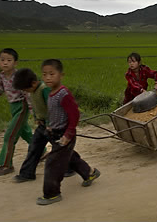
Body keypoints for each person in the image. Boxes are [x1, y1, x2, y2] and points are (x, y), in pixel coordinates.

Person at [37, 59, 100, 205]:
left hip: (65, 135)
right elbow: (54, 113)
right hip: (55, 133)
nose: (47, 78)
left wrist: (68, 134)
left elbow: (74, 115)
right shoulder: (51, 93)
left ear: (61, 75)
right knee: (69, 157)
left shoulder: (63, 94)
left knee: (53, 163)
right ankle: (89, 173)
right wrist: (49, 126)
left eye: (52, 74)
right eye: (45, 74)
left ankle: (52, 194)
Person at [11, 68, 75, 182]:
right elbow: (36, 107)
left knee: (61, 149)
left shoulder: (44, 90)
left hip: (53, 126)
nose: (26, 92)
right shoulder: (33, 91)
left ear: (34, 83)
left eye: (26, 89)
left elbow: (52, 108)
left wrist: (50, 124)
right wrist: (36, 118)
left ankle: (71, 168)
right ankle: (27, 173)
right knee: (34, 148)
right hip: (42, 125)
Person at [0, 48, 33, 176]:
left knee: (10, 135)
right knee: (25, 132)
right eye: (2, 60)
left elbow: (27, 93)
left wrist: (33, 110)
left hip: (22, 106)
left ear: (15, 63)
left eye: (9, 60)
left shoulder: (18, 76)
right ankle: (42, 151)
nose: (5, 63)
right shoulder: (2, 76)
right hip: (13, 107)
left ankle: (6, 165)